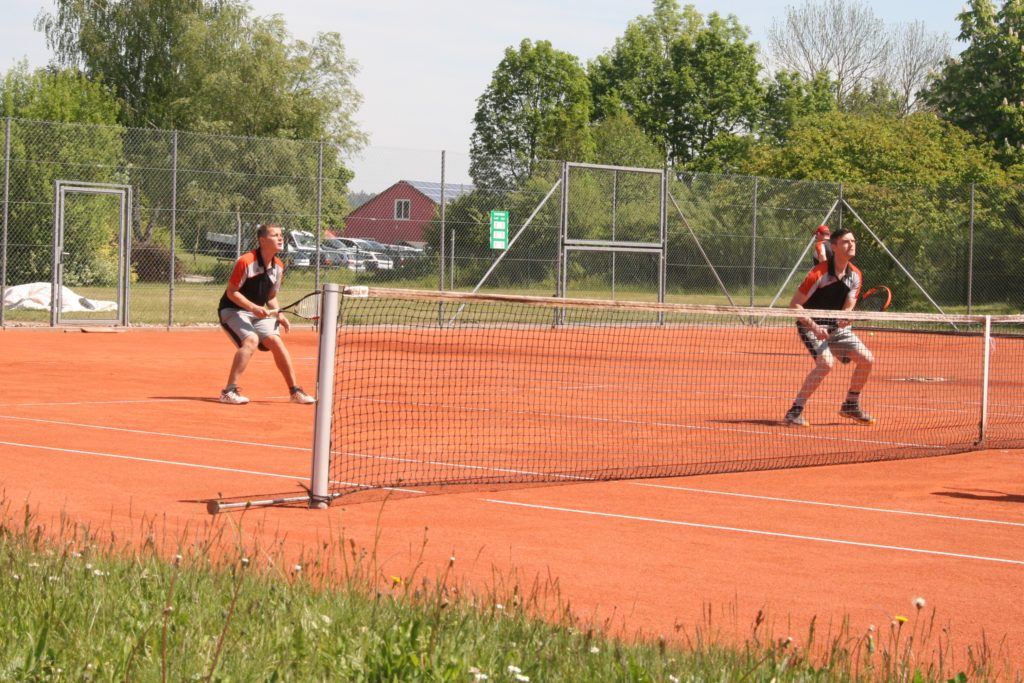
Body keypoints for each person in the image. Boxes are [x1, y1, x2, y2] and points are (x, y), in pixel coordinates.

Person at [784, 227, 874, 427]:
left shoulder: (855, 275)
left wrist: (846, 316)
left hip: (836, 327)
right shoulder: (818, 273)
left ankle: (850, 404)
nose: (851, 245)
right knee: (826, 363)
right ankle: (794, 411)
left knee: (867, 359)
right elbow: (795, 305)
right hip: (810, 324)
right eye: (846, 242)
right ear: (834, 247)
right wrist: (815, 327)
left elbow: (850, 302)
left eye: (853, 241)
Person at [217, 223, 315, 405]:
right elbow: (232, 292)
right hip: (232, 310)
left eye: (281, 235)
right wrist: (254, 308)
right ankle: (228, 391)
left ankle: (295, 391)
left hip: (255, 313)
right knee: (251, 340)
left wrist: (279, 314)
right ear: (262, 240)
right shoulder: (246, 261)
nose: (280, 238)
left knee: (276, 341)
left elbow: (271, 296)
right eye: (275, 235)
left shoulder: (278, 266)